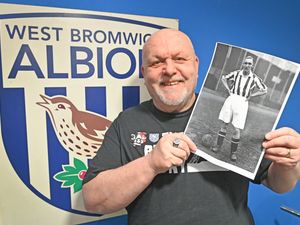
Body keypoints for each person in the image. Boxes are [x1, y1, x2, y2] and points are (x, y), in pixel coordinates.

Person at [82, 28, 300, 225]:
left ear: (196, 65)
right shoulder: (127, 122)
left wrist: (289, 164)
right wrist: (150, 164)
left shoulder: (235, 110)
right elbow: (93, 201)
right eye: (157, 62)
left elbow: (279, 184)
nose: (169, 70)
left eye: (180, 59)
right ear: (144, 71)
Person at [212, 56, 268, 161]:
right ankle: (218, 146)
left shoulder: (255, 78)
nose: (247, 65)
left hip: (243, 102)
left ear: (252, 66)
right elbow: (224, 78)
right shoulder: (236, 73)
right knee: (224, 124)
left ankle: (233, 153)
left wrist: (252, 95)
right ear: (243, 64)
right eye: (245, 63)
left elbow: (264, 90)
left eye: (249, 64)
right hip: (231, 98)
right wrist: (229, 89)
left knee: (236, 129)